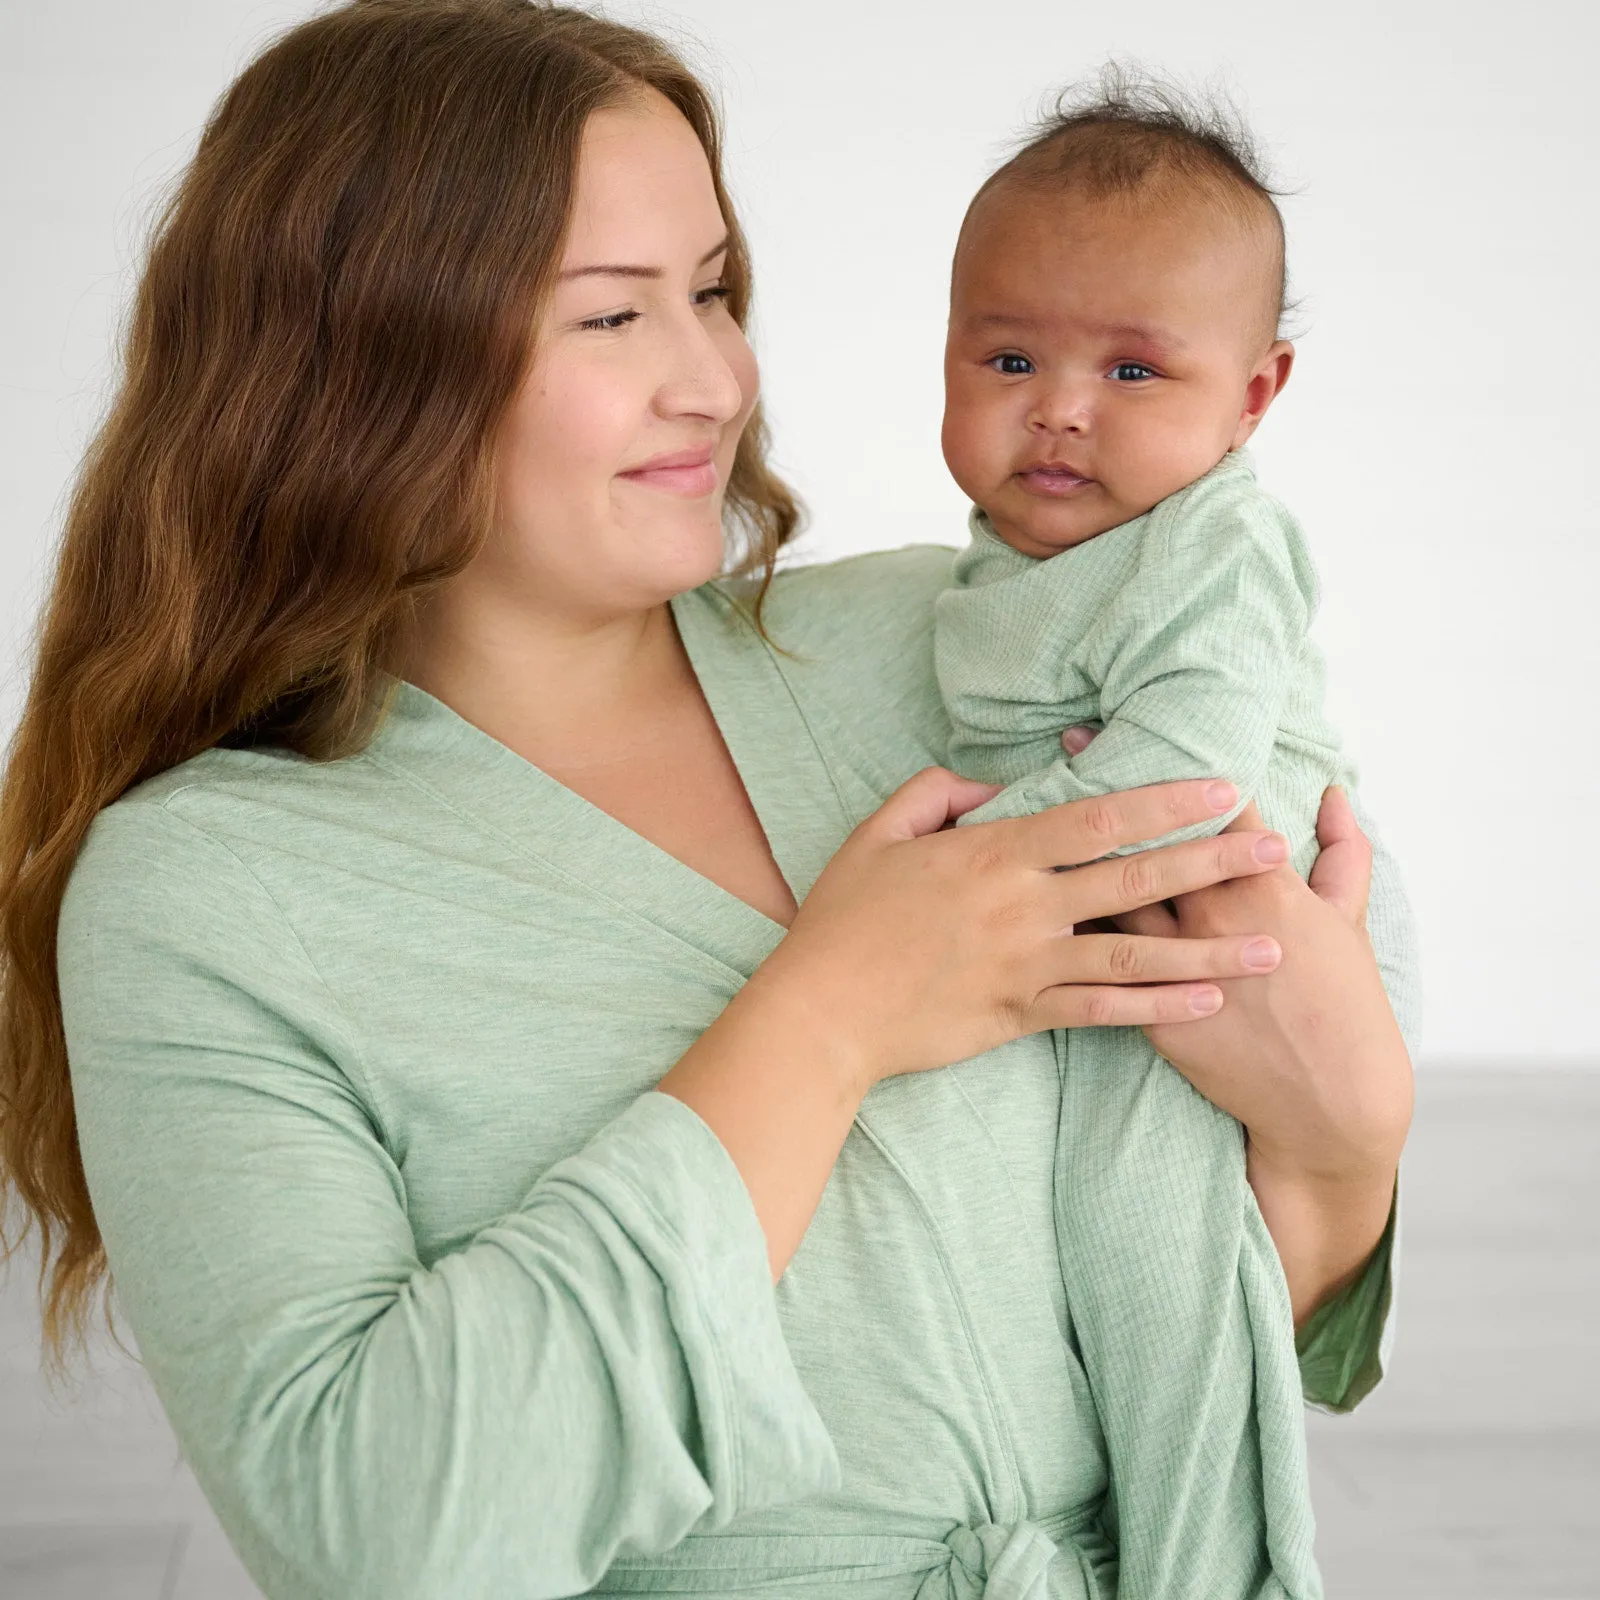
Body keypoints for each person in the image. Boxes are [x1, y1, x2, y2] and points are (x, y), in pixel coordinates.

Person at [0, 4, 1413, 1598]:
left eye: (714, 291)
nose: (717, 381)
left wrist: (1345, 1149)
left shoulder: (975, 650)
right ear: (364, 357)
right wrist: (832, 1013)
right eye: (613, 319)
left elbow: (1182, 1309)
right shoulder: (204, 893)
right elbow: (375, 1529)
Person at [931, 74, 1421, 1597]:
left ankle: (1207, 1562)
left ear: (1254, 396)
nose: (1060, 406)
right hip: (1145, 921)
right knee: (1105, 1264)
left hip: (1247, 926)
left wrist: (954, 871)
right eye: (1008, 354)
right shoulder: (1020, 551)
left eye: (1135, 370)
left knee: (1164, 1280)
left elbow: (1188, 777)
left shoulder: (1217, 541)